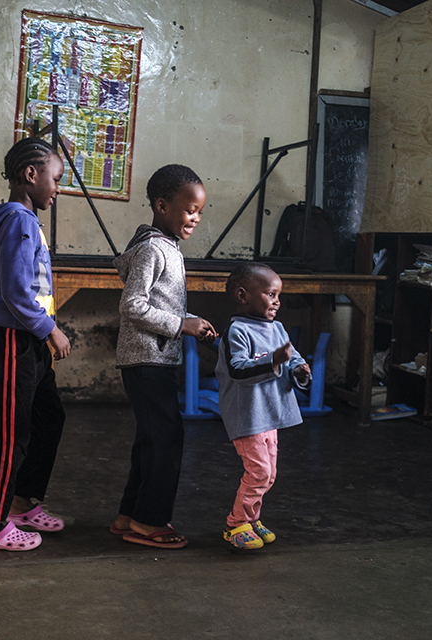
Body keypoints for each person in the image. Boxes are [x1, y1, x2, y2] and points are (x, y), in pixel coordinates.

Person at [0, 137, 72, 551]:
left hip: (21, 336)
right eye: (55, 179)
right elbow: (12, 290)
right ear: (31, 175)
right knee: (12, 433)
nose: (57, 188)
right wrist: (50, 330)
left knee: (49, 416)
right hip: (16, 338)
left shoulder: (11, 219)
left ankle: (22, 502)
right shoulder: (19, 221)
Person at [110, 164, 217, 550]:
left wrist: (191, 321)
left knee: (151, 441)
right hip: (146, 359)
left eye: (199, 211)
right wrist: (180, 326)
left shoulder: (164, 246)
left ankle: (129, 516)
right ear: (162, 206)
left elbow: (157, 304)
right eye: (190, 210)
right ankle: (149, 523)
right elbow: (133, 305)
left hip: (153, 358)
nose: (196, 218)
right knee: (167, 441)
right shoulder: (155, 248)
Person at [215, 263, 311, 549]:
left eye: (278, 295)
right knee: (258, 472)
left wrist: (299, 368)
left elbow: (292, 358)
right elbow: (239, 370)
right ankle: (236, 524)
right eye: (270, 294)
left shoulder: (277, 328)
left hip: (270, 413)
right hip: (248, 416)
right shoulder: (236, 331)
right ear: (244, 296)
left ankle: (252, 518)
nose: (277, 301)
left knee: (269, 474)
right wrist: (275, 361)